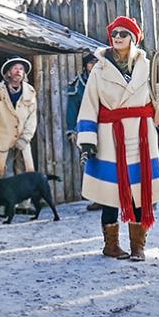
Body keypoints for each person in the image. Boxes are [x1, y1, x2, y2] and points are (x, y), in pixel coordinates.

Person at [77, 16, 159, 261]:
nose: (117, 37)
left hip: (141, 134)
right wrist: (87, 139)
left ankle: (138, 246)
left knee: (139, 189)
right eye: (114, 33)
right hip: (110, 135)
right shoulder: (99, 68)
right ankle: (111, 246)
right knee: (110, 193)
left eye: (123, 34)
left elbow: (158, 96)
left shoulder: (148, 66)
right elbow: (89, 103)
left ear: (133, 38)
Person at [0, 56, 37, 185]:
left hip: (22, 141)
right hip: (2, 142)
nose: (18, 71)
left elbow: (32, 118)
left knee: (25, 176)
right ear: (8, 73)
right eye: (15, 68)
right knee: (4, 175)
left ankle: (24, 199)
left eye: (21, 69)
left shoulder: (30, 92)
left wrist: (25, 138)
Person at [66, 53, 101, 212]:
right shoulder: (78, 85)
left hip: (106, 125)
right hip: (86, 127)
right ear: (86, 65)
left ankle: (113, 197)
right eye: (90, 63)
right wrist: (72, 130)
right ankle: (98, 198)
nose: (93, 65)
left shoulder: (106, 79)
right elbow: (72, 108)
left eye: (96, 62)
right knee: (91, 162)